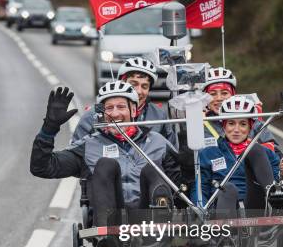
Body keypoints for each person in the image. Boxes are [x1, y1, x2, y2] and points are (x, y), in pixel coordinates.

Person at [31, 82, 181, 226]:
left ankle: (162, 224)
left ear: (133, 110)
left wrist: (187, 163)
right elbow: (42, 167)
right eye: (109, 108)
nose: (115, 113)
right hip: (112, 224)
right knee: (106, 164)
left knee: (152, 168)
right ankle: (108, 234)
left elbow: (181, 183)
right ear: (102, 113)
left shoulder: (158, 142)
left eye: (121, 107)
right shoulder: (88, 145)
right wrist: (49, 128)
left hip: (151, 222)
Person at [192, 95, 283, 213]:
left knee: (255, 150)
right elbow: (200, 190)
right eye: (231, 123)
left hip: (256, 208)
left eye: (243, 124)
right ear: (224, 126)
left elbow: (280, 183)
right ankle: (225, 229)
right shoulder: (208, 153)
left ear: (250, 127)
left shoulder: (264, 153)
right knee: (228, 188)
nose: (236, 129)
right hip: (221, 211)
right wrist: (200, 211)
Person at [72, 57, 177, 147]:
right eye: (134, 84)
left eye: (144, 86)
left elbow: (171, 155)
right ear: (121, 82)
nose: (139, 91)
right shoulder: (95, 114)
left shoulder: (159, 116)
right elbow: (76, 153)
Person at [201, 67, 283, 156]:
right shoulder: (199, 124)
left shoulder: (250, 117)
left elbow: (274, 151)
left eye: (224, 93)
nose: (219, 98)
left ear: (233, 94)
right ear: (205, 98)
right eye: (213, 94)